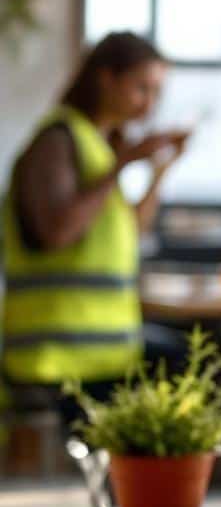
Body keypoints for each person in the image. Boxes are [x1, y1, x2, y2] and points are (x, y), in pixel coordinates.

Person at [2, 32, 189, 416]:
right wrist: (122, 163)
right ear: (105, 79)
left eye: (157, 93)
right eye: (141, 88)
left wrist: (158, 174)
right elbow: (57, 232)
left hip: (106, 349)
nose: (149, 105)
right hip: (56, 354)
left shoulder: (98, 145)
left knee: (186, 361)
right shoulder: (57, 140)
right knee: (180, 368)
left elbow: (132, 233)